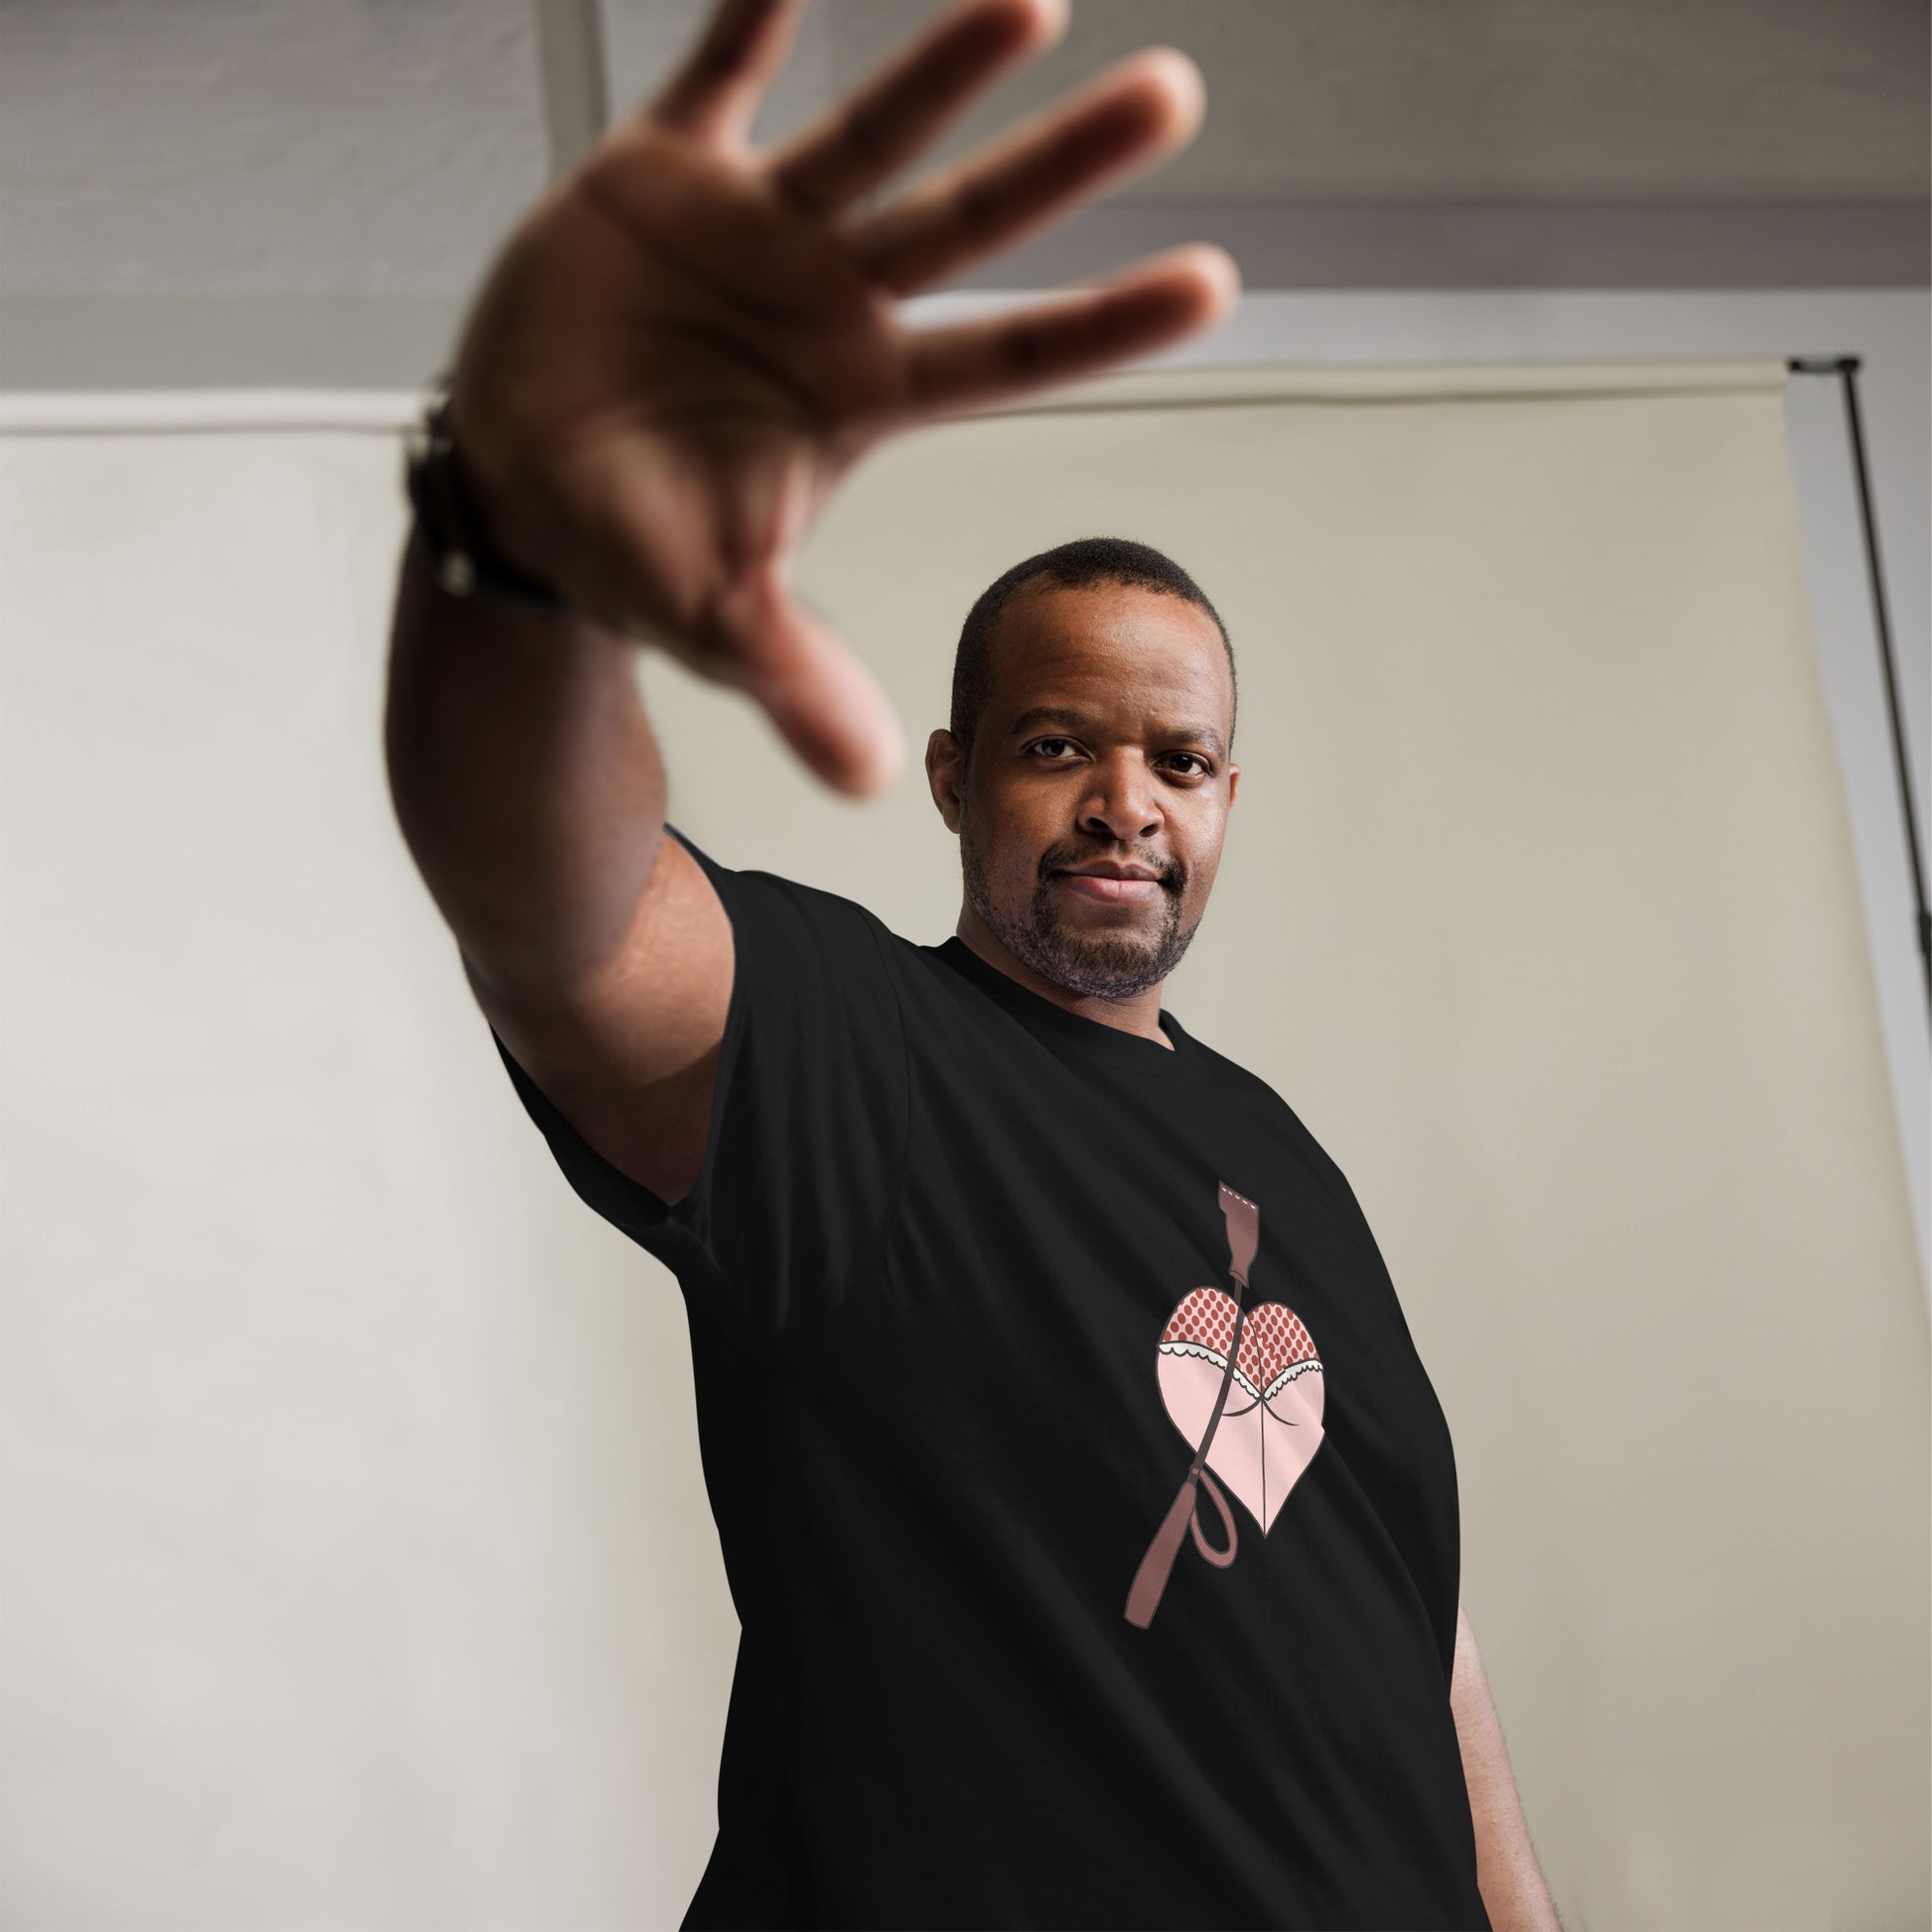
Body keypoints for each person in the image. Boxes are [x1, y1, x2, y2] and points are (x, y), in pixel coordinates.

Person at [383, 1, 1561, 1925]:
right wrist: (522, 546)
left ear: (1229, 796)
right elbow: (562, 918)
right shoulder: (869, 1058)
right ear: (952, 776)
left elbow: (1416, 1628)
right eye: (1054, 745)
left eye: (1176, 760)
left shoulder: (1286, 1159)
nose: (1123, 801)